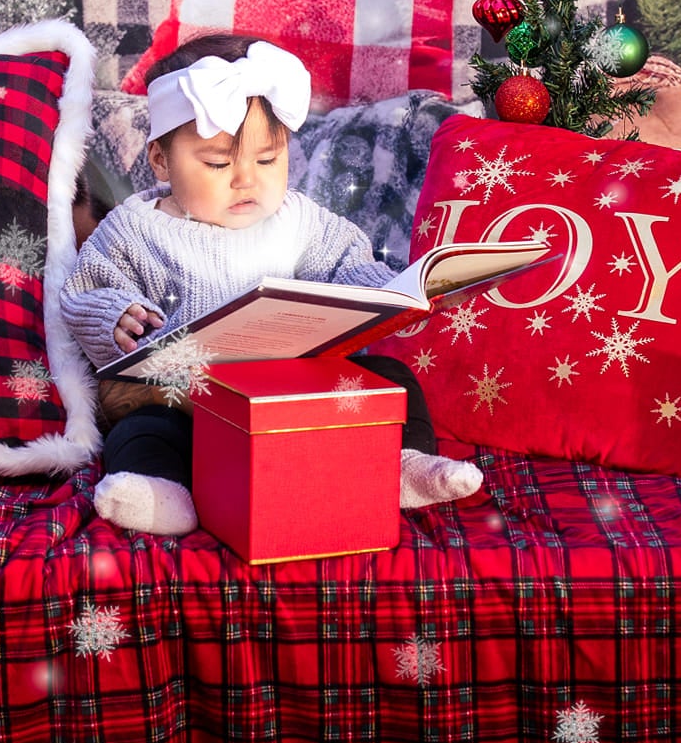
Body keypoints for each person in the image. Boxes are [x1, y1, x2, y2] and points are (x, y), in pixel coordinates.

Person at [61, 34, 484, 536]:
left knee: (391, 378)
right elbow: (86, 291)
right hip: (188, 401)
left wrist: (402, 289)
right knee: (140, 431)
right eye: (218, 164)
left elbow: (350, 269)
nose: (247, 181)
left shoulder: (300, 221)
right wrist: (116, 315)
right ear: (160, 160)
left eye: (267, 160)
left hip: (292, 398)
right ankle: (159, 489)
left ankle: (401, 464)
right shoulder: (135, 229)